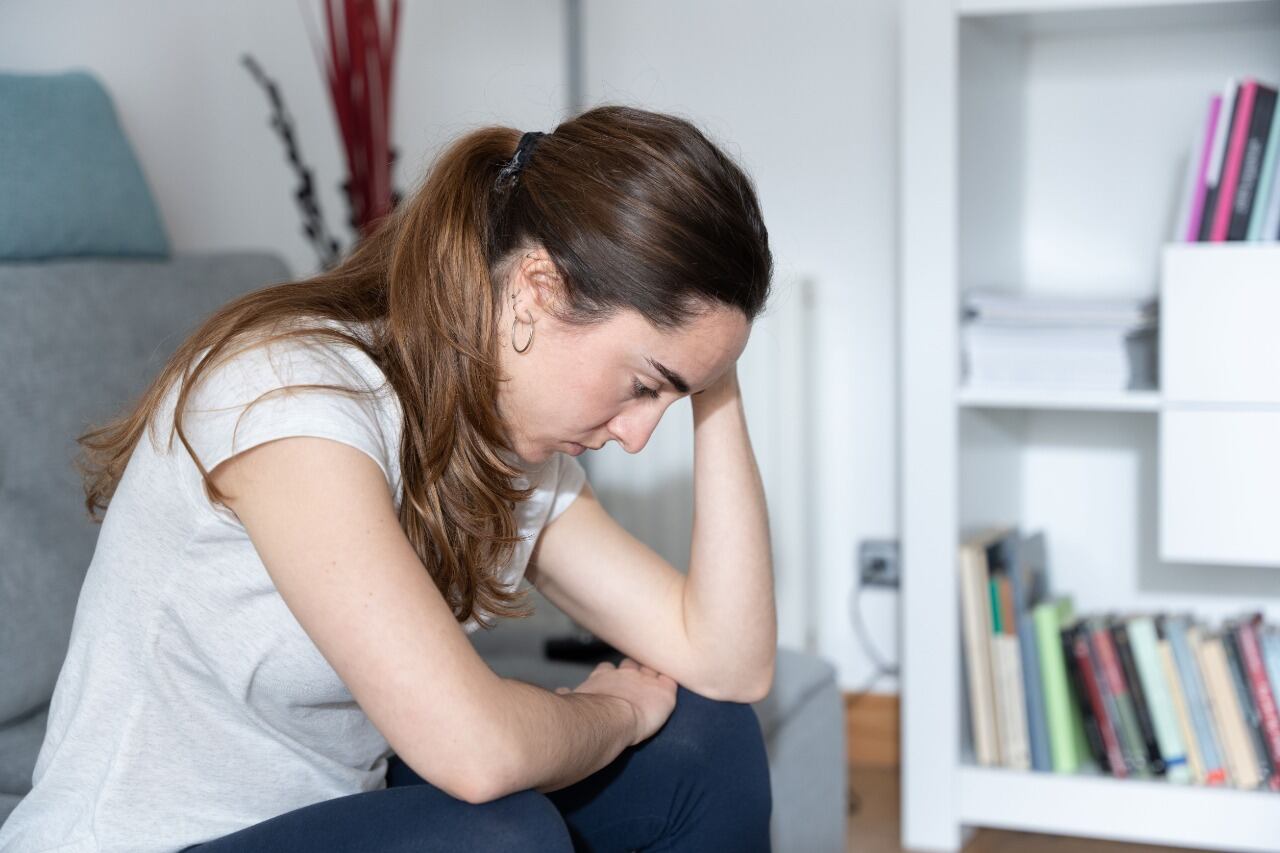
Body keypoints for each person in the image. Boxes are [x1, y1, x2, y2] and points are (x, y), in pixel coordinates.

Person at [0, 104, 777, 852]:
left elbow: (729, 659)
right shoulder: (292, 398)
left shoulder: (514, 454)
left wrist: (714, 377)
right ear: (539, 289)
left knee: (708, 744)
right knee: (500, 836)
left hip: (336, 815)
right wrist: (610, 712)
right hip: (152, 839)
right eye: (644, 384)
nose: (639, 437)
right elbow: (474, 751)